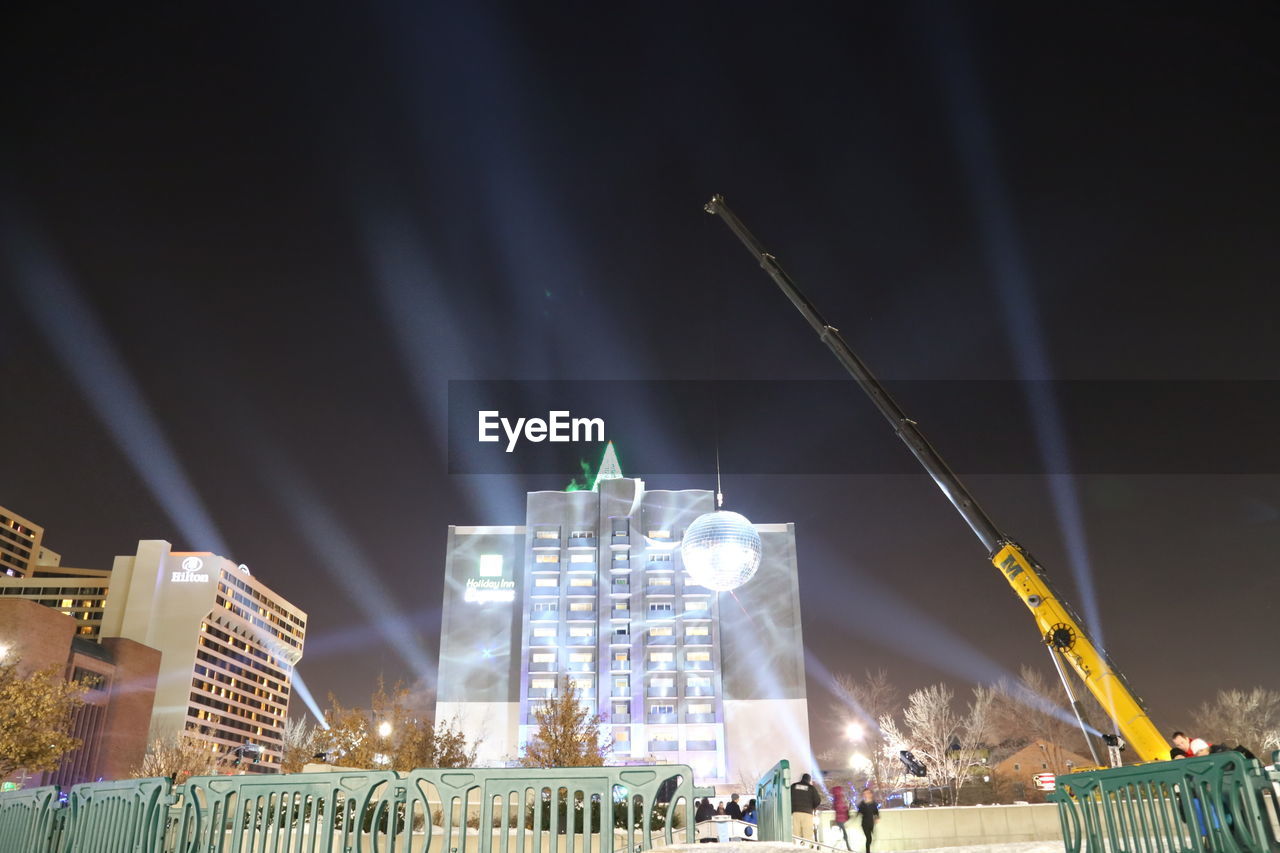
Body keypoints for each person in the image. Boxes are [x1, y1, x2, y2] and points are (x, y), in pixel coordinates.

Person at [790, 773, 823, 841]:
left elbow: (788, 797)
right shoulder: (811, 788)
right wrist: (812, 807)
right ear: (809, 780)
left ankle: (795, 849)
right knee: (807, 834)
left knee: (796, 834)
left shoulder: (794, 786)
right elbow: (818, 800)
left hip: (796, 812)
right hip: (807, 813)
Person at [831, 786, 853, 851]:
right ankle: (848, 848)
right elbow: (841, 808)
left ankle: (842, 847)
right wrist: (846, 808)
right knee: (844, 834)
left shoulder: (835, 798)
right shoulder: (839, 798)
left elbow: (835, 808)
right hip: (841, 819)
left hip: (839, 819)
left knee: (843, 833)